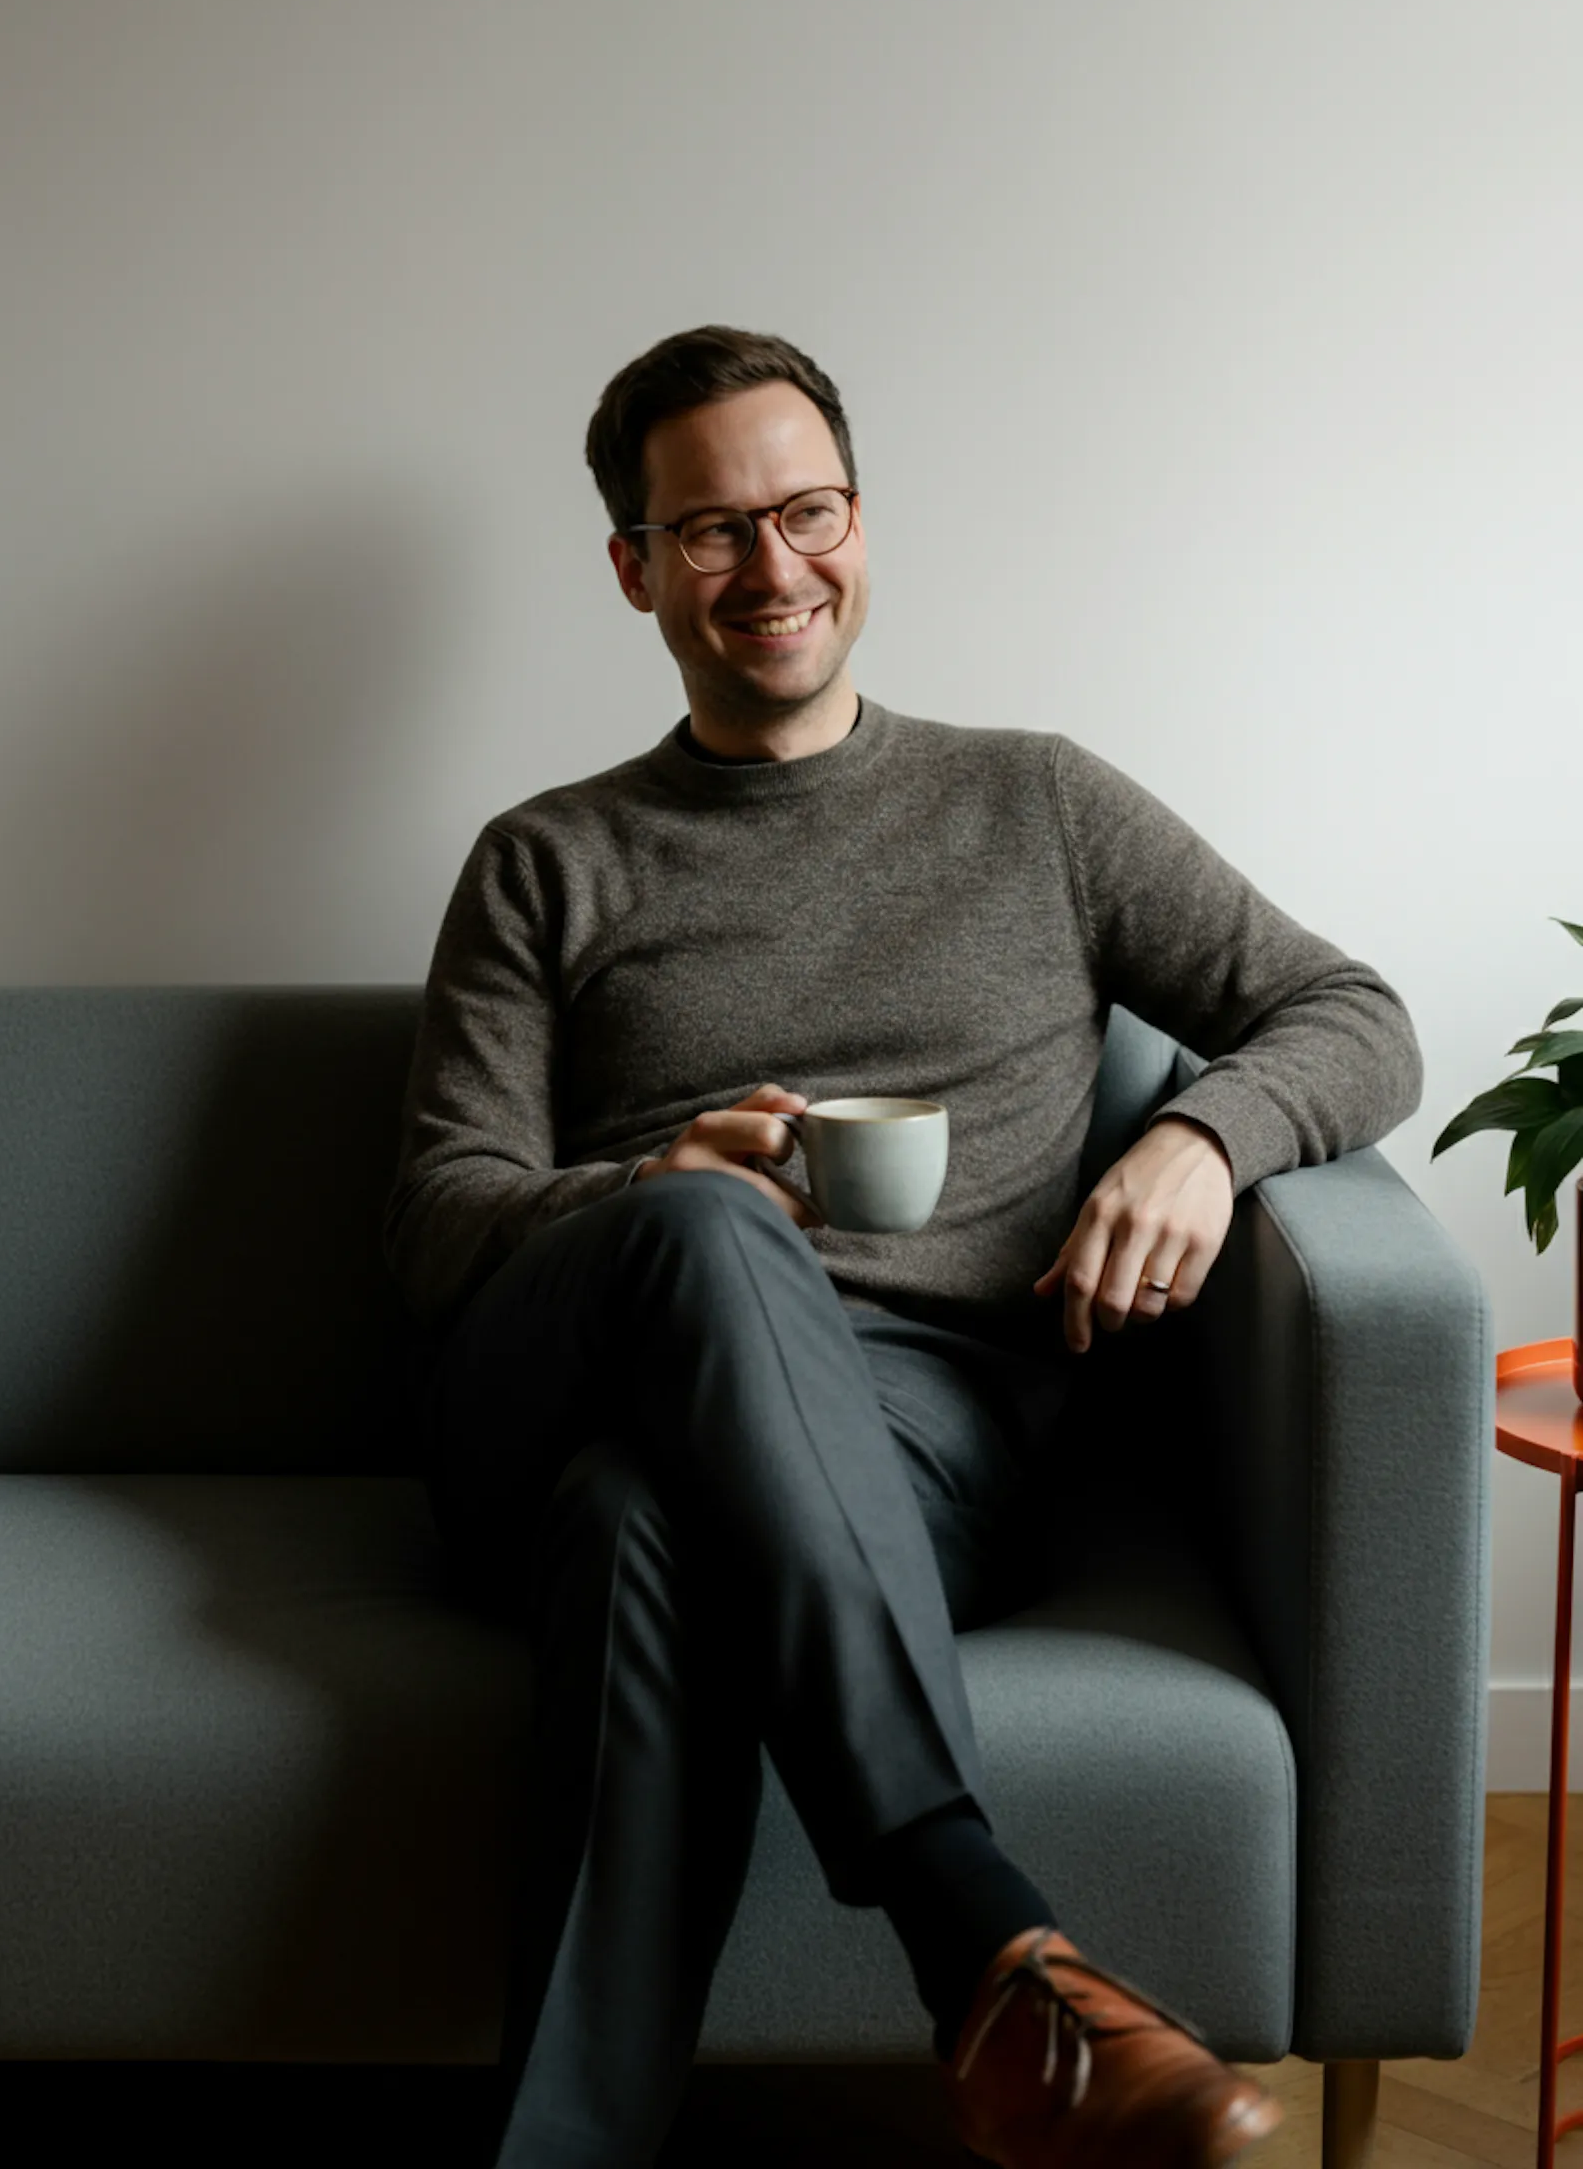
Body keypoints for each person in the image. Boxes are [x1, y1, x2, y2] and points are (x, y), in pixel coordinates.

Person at [382, 324, 1424, 2168]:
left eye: (807, 511)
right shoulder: (548, 859)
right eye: (711, 530)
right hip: (561, 1387)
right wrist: (648, 1187)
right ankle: (981, 1942)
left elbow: (1351, 1012)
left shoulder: (1041, 804)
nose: (770, 566)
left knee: (643, 1529)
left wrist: (1203, 1132)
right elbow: (443, 1218)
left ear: (862, 523)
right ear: (634, 569)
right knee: (699, 1232)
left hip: (916, 1444)